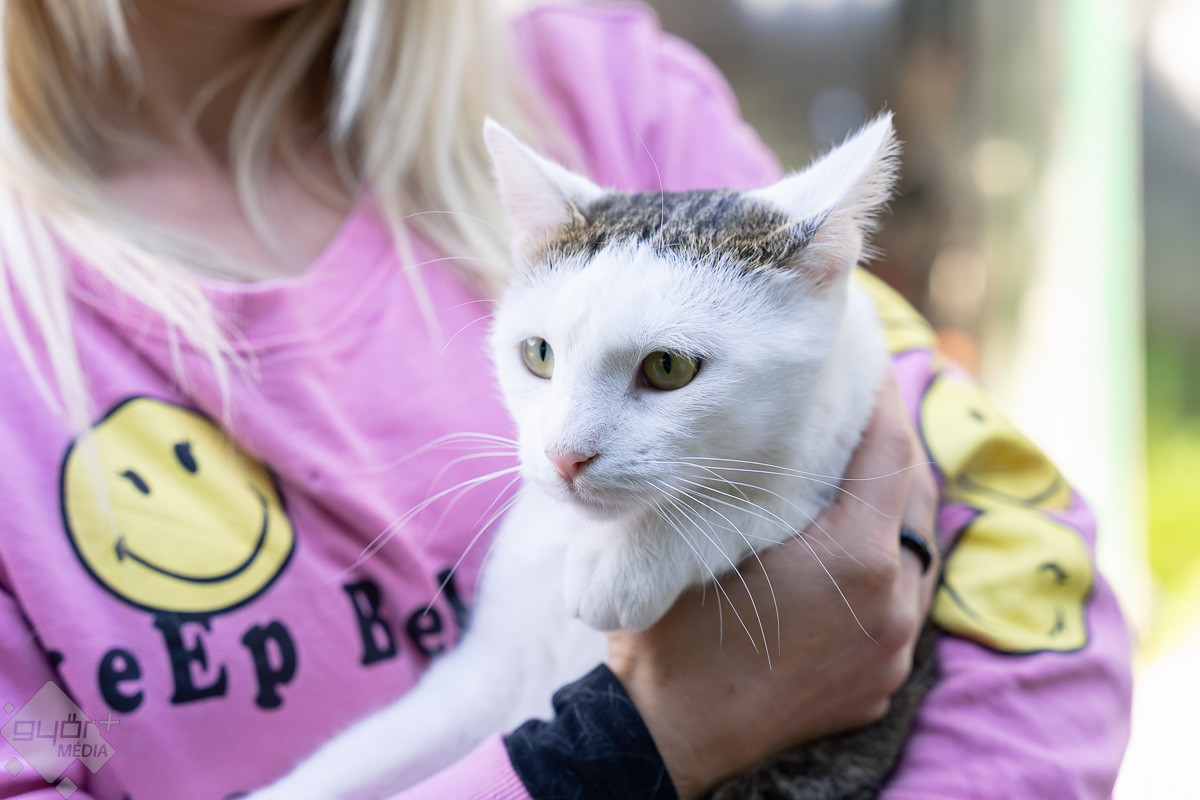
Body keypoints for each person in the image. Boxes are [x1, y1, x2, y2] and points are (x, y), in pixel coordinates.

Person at [0, 1, 1130, 799]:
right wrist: (644, 742)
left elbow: (1039, 592)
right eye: (539, 360)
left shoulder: (607, 96)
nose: (566, 450)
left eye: (666, 371)